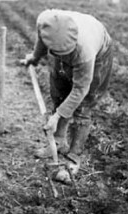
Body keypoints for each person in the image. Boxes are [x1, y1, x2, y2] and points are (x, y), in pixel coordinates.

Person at [20, 9, 114, 181]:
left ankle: (73, 158)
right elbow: (42, 41)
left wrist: (56, 117)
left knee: (82, 108)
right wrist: (34, 57)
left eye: (67, 54)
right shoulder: (45, 22)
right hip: (63, 50)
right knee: (58, 93)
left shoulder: (85, 50)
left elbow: (80, 89)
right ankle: (57, 142)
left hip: (99, 53)